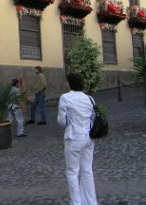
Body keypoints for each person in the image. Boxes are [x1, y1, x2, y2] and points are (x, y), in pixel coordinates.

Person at [57, 72, 98, 205]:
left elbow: (62, 121)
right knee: (87, 171)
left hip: (74, 138)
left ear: (69, 83)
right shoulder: (89, 99)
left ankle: (76, 203)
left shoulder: (65, 98)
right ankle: (91, 202)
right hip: (88, 138)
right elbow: (92, 118)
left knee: (72, 172)